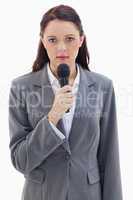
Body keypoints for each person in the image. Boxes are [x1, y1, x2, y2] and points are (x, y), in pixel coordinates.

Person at [8, 4, 123, 200]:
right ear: (43, 41)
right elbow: (21, 161)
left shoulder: (103, 86)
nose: (61, 48)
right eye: (52, 40)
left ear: (81, 40)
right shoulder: (21, 87)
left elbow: (109, 158)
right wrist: (52, 117)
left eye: (69, 39)